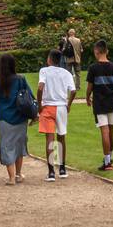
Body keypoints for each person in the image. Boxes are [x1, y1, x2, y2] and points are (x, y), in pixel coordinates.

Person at [0, 53, 32, 185]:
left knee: (7, 146)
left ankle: (11, 177)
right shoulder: (21, 79)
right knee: (19, 146)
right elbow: (30, 97)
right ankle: (18, 174)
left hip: (5, 119)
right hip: (21, 118)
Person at [86, 39, 113, 171]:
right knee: (111, 130)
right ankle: (110, 157)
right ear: (106, 51)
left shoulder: (93, 68)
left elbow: (89, 87)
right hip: (112, 103)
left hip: (99, 104)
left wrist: (87, 98)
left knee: (104, 131)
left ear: (97, 51)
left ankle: (107, 162)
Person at [37, 48, 76, 179]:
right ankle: (63, 168)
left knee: (50, 138)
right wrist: (69, 104)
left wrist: (39, 103)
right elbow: (73, 90)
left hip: (48, 105)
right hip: (61, 106)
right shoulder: (66, 73)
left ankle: (51, 172)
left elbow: (40, 87)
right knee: (61, 137)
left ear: (49, 59)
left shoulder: (44, 71)